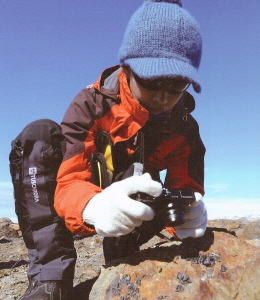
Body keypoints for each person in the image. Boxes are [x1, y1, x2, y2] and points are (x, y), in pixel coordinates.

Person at [9, 0, 207, 299]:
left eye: (177, 83)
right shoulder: (91, 104)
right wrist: (92, 207)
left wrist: (185, 216)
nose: (164, 97)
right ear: (127, 68)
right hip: (90, 193)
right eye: (153, 79)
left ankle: (123, 255)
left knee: (157, 192)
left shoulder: (185, 127)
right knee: (37, 137)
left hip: (137, 208)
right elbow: (70, 179)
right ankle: (50, 277)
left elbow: (184, 187)